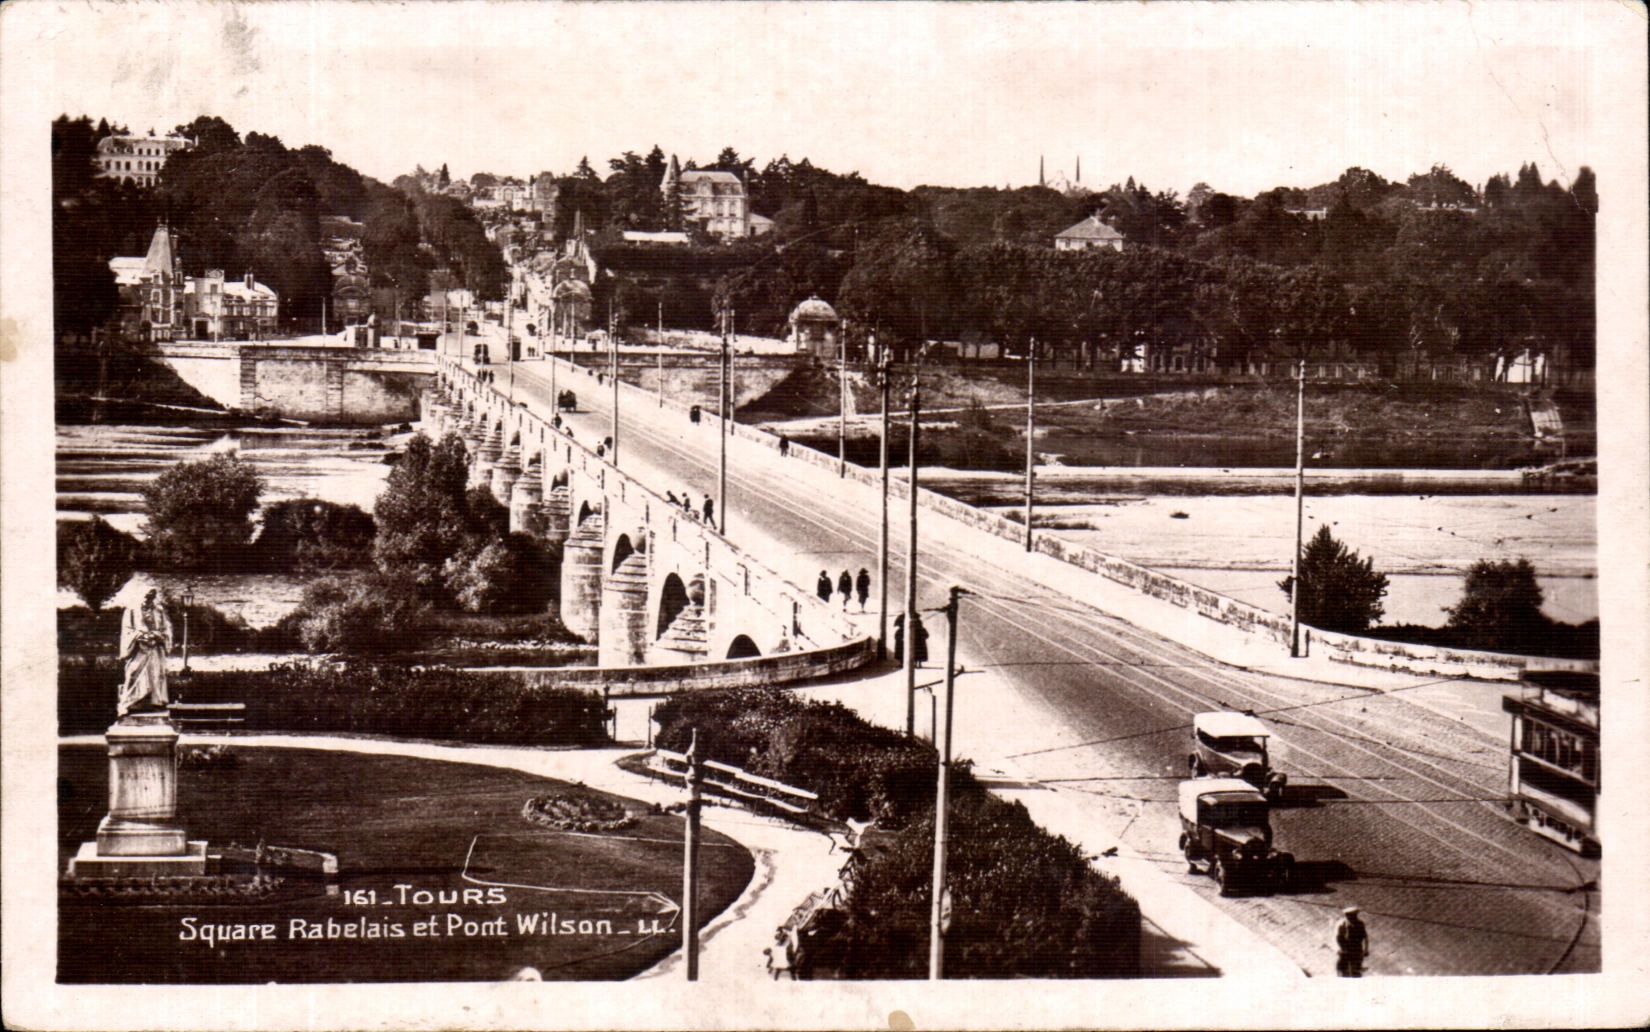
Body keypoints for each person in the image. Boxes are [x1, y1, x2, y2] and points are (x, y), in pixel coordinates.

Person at [115, 577, 174, 717]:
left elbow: (167, 629)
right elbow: (127, 630)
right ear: (141, 595)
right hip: (138, 649)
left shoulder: (159, 611)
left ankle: (154, 703)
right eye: (146, 596)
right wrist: (139, 636)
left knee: (155, 675)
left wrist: (158, 636)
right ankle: (128, 702)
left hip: (154, 649)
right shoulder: (131, 610)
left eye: (151, 597)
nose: (148, 599)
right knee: (133, 673)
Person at [1335, 906, 1368, 977]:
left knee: (1355, 970)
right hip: (1346, 949)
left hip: (1357, 949)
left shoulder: (1360, 924)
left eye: (1354, 915)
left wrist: (1366, 949)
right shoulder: (1343, 924)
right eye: (1350, 915)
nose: (1353, 917)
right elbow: (1338, 937)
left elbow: (1365, 937)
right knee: (1342, 968)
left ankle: (1356, 973)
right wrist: (1342, 948)